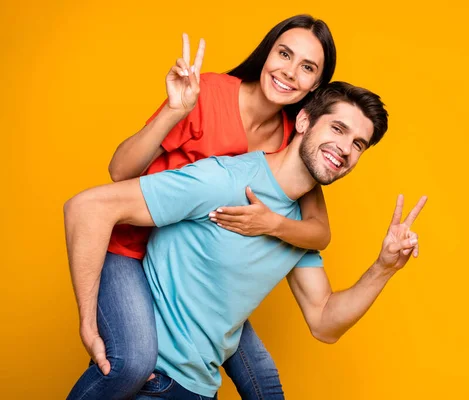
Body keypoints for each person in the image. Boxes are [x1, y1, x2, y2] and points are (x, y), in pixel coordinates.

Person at [64, 80, 427, 399]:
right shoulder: (226, 180)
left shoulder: (299, 224)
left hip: (201, 390)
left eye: (358, 143)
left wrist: (384, 268)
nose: (345, 148)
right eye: (337, 128)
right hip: (151, 382)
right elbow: (87, 208)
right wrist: (89, 326)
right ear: (303, 121)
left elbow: (324, 322)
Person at [66, 15, 336, 400]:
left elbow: (319, 232)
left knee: (265, 383)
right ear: (266, 53)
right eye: (284, 54)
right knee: (132, 362)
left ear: (317, 87)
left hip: (192, 275)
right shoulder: (206, 93)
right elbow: (119, 171)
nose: (290, 72)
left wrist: (270, 223)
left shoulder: (295, 136)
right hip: (132, 251)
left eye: (307, 67)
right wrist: (175, 111)